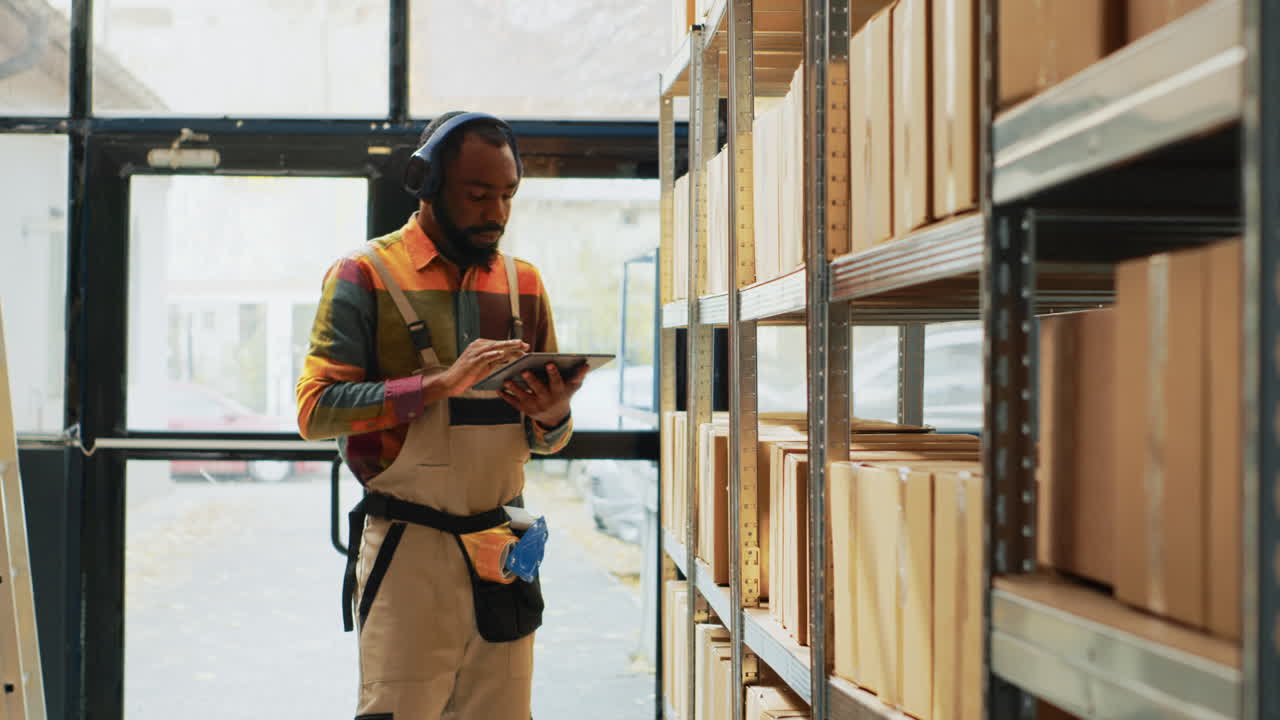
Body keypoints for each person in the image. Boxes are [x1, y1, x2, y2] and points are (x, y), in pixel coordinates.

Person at [296, 111, 587, 719]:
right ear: (426, 185)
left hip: (504, 549)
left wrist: (553, 414)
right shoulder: (365, 275)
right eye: (478, 195)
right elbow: (316, 410)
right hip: (410, 550)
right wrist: (439, 385)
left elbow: (548, 441)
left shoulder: (524, 285)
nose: (497, 213)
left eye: (507, 195)